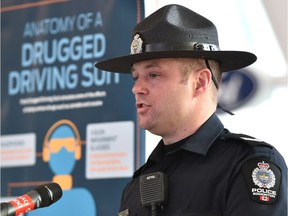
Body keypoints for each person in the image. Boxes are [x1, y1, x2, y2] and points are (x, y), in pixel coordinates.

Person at [95, 4, 287, 216]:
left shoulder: (248, 165)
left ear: (200, 82)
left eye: (153, 75)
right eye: (135, 77)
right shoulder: (135, 186)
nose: (137, 88)